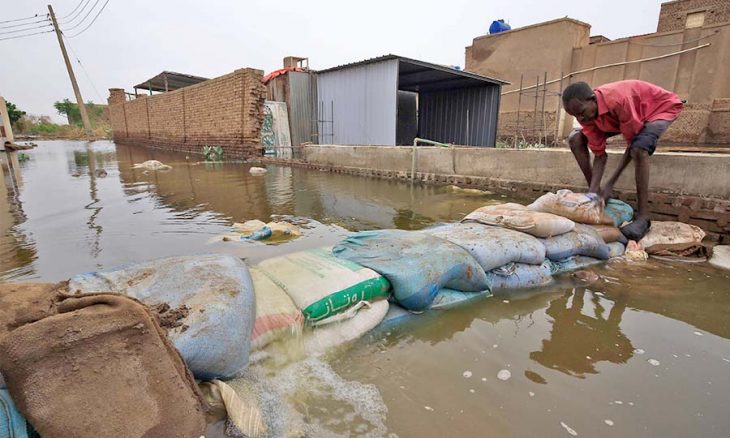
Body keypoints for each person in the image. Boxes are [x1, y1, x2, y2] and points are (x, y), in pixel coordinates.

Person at [562, 80, 683, 240]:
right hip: (617, 118)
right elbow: (600, 155)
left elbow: (632, 143)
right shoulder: (587, 117)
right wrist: (593, 193)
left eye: (582, 112)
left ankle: (643, 217)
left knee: (639, 149)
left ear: (592, 99)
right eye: (575, 116)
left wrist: (610, 184)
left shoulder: (618, 100)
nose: (581, 118)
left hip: (658, 109)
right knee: (575, 138)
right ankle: (596, 195)